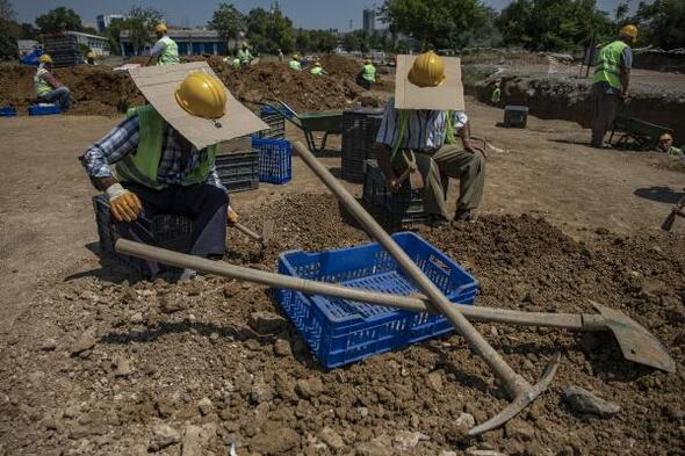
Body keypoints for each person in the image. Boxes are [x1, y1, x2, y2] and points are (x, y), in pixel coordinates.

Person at [79, 63, 267, 278]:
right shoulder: (144, 122)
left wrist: (224, 204)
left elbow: (208, 168)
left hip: (182, 191)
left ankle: (202, 263)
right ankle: (157, 272)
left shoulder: (208, 132)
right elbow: (93, 154)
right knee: (125, 212)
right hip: (144, 191)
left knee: (217, 197)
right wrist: (114, 190)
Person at [374, 51, 485, 224]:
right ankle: (437, 217)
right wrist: (390, 177)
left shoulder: (447, 99)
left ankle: (464, 212)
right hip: (405, 153)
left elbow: (462, 120)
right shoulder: (396, 104)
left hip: (437, 149)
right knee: (427, 164)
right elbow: (381, 146)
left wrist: (467, 142)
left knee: (475, 159)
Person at [590, 24, 637, 148]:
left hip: (597, 83)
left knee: (597, 114)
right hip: (609, 84)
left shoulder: (606, 47)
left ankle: (595, 139)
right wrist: (625, 90)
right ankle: (598, 142)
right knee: (607, 114)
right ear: (630, 38)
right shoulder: (624, 48)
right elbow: (625, 71)